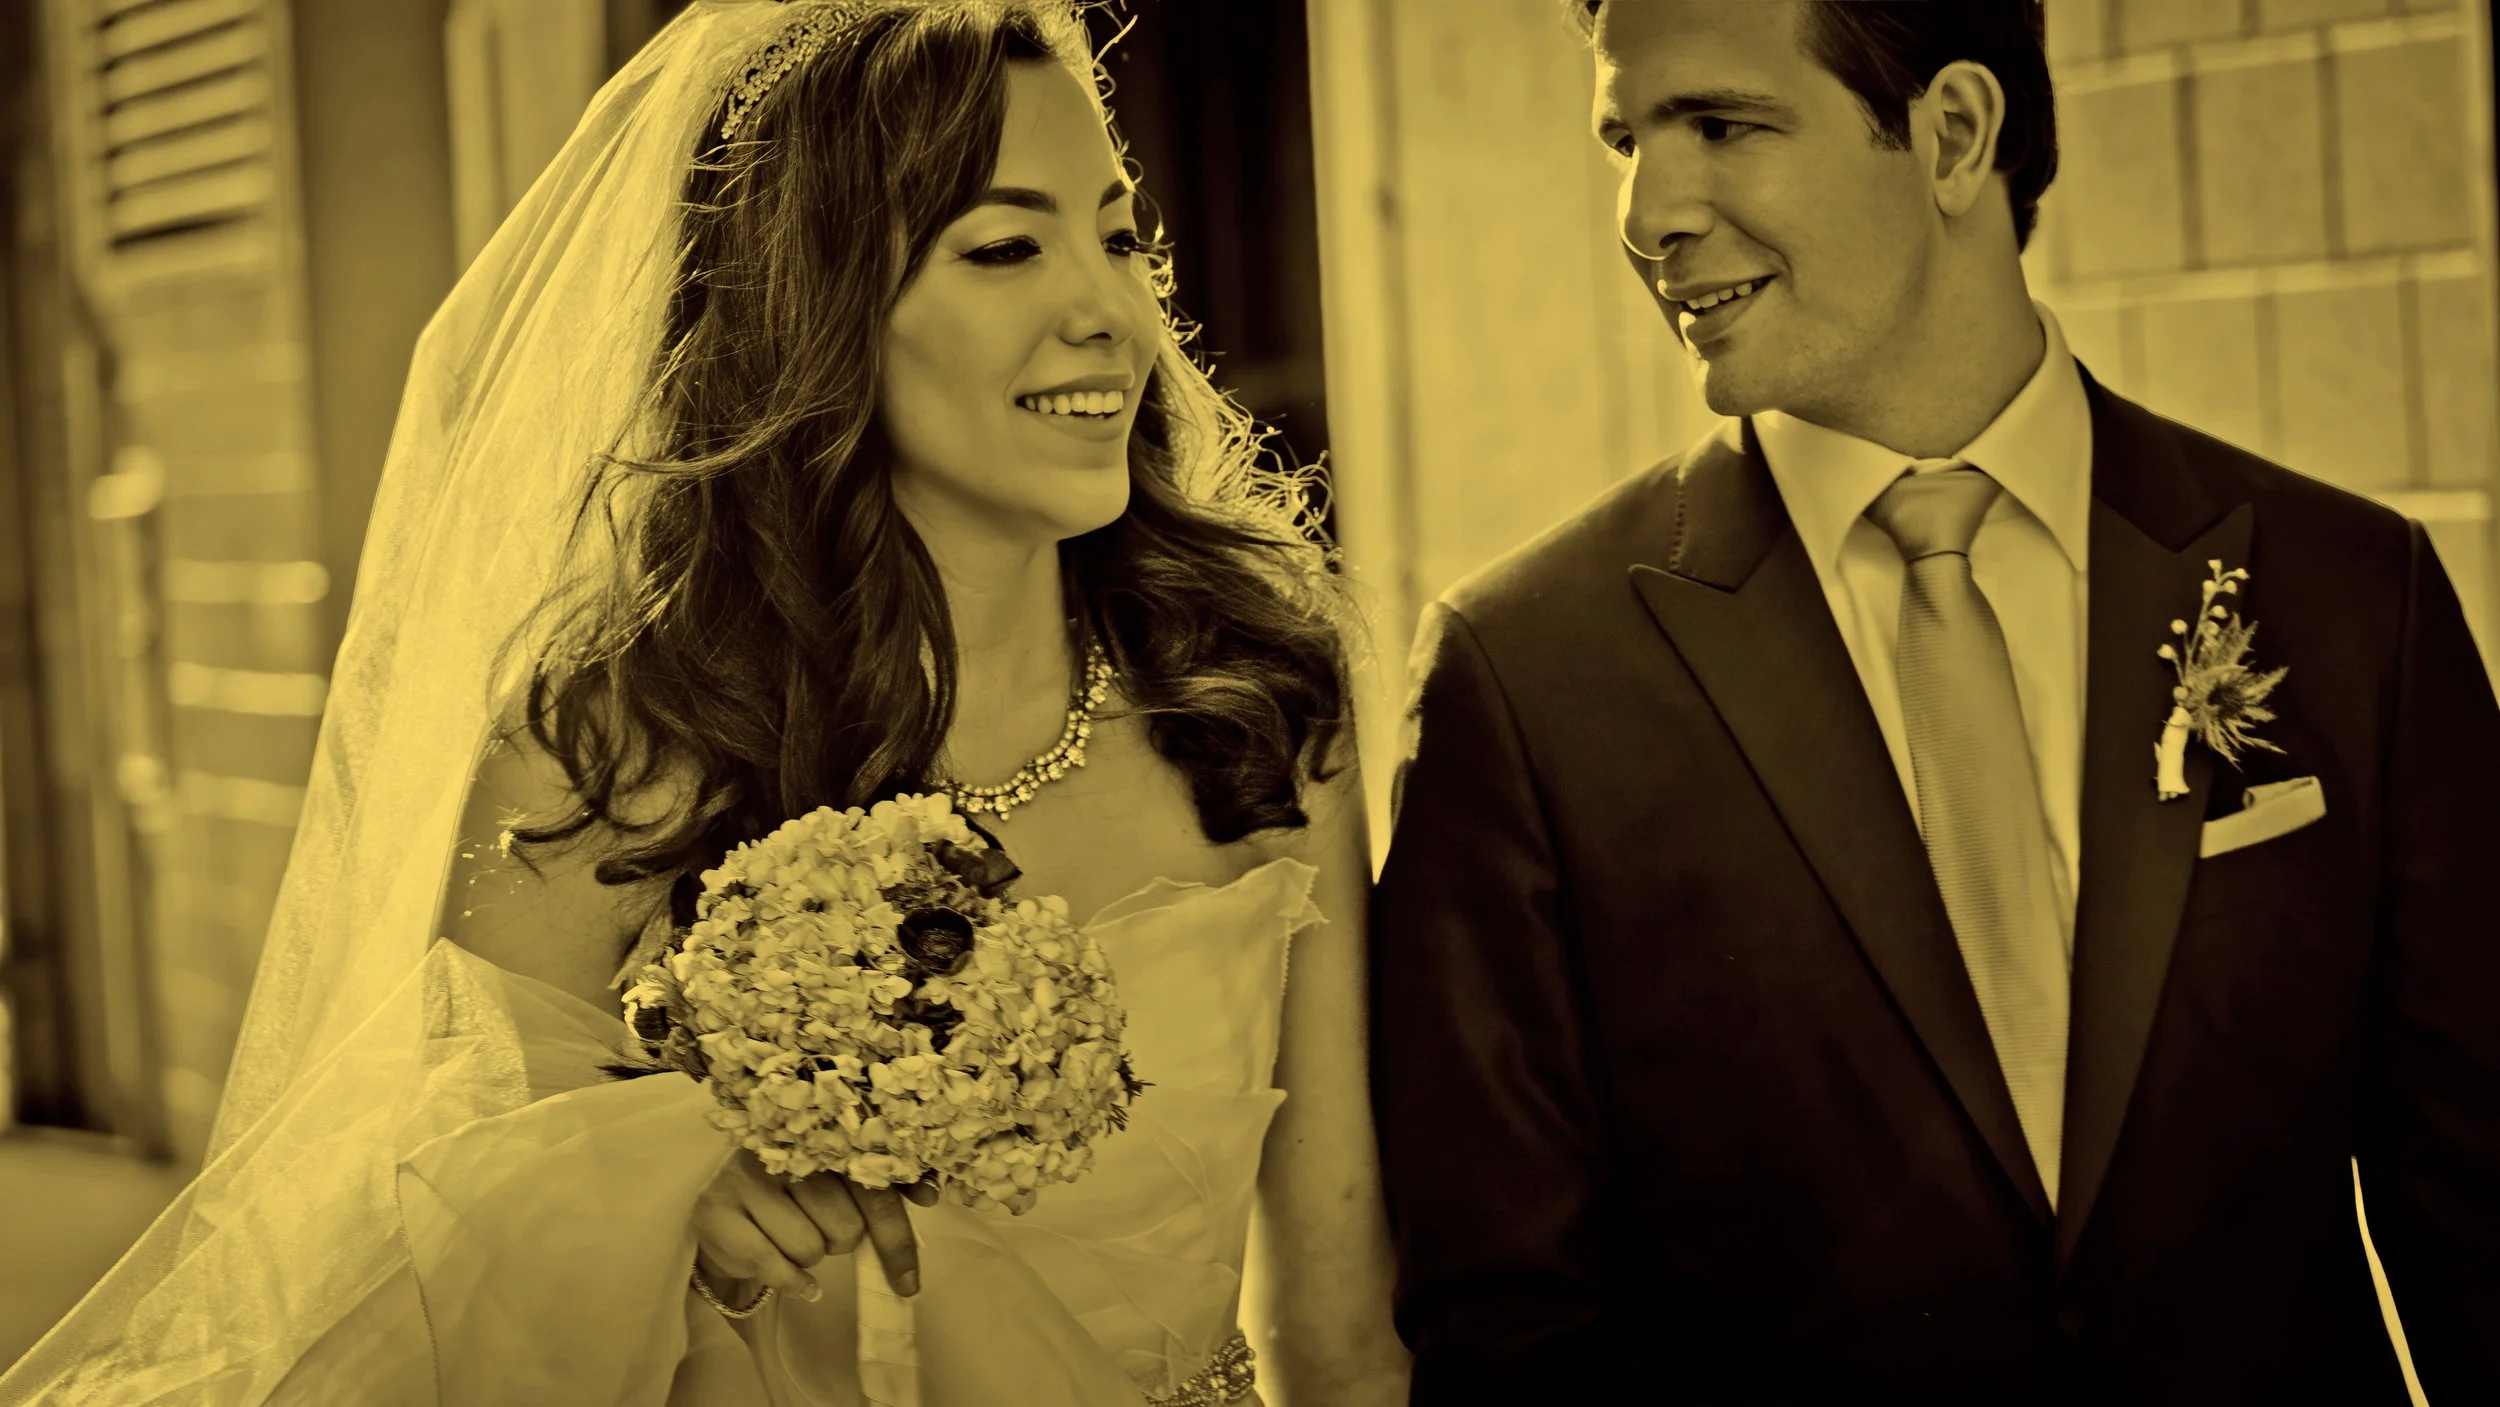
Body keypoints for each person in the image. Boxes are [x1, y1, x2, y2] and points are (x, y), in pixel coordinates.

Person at [2, 3, 1407, 1404]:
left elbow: (1338, 1332)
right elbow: (430, 1266)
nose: (1110, 312)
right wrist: (660, 1200)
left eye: (1120, 237)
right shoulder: (607, 763)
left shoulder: (1259, 707)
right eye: (1003, 247)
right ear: (816, 302)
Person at [1370, 1, 2500, 1402]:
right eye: (1625, 140)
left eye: (1720, 124)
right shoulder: (1521, 678)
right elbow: (1508, 1337)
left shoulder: (2355, 594)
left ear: (1955, 134)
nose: (1647, 214)